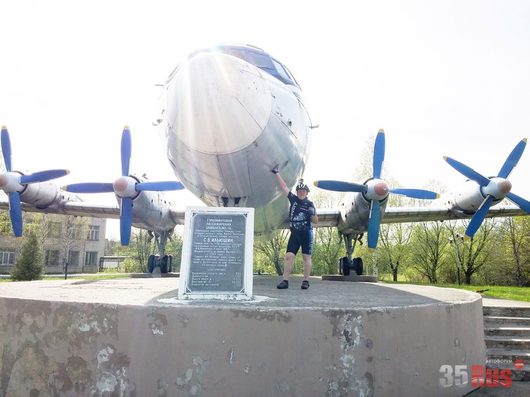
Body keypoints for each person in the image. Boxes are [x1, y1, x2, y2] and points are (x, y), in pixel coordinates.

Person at [272, 167, 318, 289]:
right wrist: (277, 173)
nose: (301, 192)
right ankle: (285, 281)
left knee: (306, 257)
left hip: (306, 233)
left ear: (307, 193)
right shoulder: (294, 200)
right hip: (295, 234)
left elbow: (316, 221)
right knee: (288, 256)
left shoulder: (310, 204)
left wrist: (312, 213)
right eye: (300, 191)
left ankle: (306, 281)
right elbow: (284, 187)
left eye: (304, 191)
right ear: (297, 192)